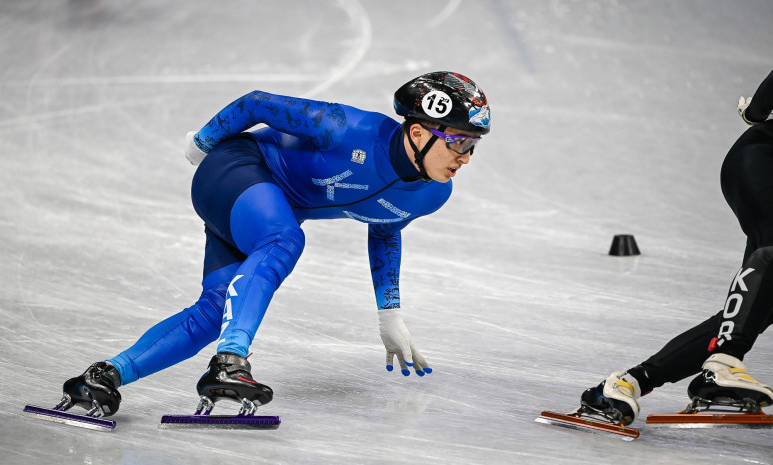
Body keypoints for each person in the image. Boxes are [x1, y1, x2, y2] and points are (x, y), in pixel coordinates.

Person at [59, 71, 492, 418]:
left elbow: (385, 225)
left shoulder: (434, 193)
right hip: (237, 169)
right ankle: (230, 361)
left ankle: (105, 375)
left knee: (216, 310)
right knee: (284, 239)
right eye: (458, 141)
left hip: (258, 212)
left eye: (473, 146)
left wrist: (389, 310)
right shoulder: (347, 127)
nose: (466, 158)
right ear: (418, 133)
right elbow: (256, 103)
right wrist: (202, 143)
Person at [581, 68, 773, 426]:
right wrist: (757, 111)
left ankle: (627, 384)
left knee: (752, 311)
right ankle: (723, 366)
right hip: (764, 159)